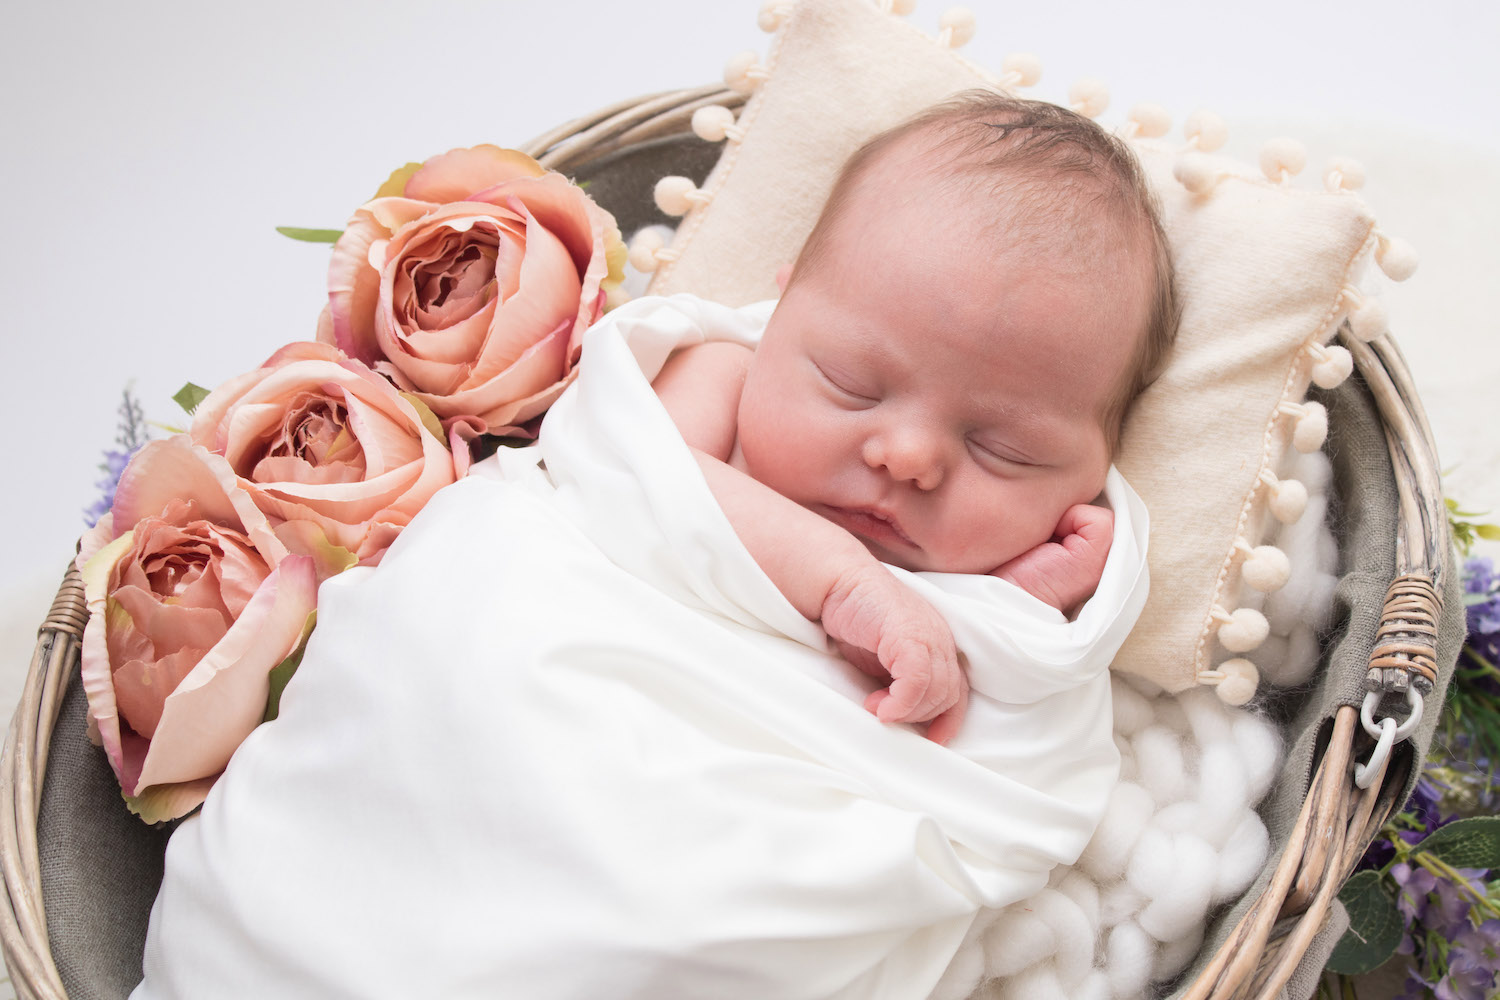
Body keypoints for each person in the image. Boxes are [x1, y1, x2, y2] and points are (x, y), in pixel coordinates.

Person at [652, 91, 1178, 744]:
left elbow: (982, 748)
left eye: (1003, 449)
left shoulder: (1001, 567)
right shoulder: (718, 378)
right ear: (779, 311)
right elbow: (637, 477)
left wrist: (1006, 616)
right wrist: (841, 582)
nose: (907, 457)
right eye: (853, 385)